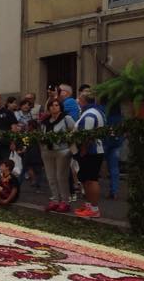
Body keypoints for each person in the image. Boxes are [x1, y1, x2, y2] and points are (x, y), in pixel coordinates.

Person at [74, 90, 106, 219]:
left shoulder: (90, 114)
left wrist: (83, 150)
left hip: (91, 151)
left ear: (84, 100)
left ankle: (94, 208)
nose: (77, 101)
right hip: (93, 150)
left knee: (91, 180)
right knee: (86, 179)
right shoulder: (96, 111)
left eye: (79, 99)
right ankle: (88, 206)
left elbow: (87, 135)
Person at [40, 98, 76, 212]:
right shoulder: (45, 121)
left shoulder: (66, 118)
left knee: (61, 176)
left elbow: (74, 131)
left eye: (56, 105)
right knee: (51, 177)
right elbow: (41, 134)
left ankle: (65, 201)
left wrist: (66, 138)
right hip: (48, 151)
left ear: (60, 107)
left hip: (62, 151)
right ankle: (55, 199)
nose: (53, 107)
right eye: (51, 105)